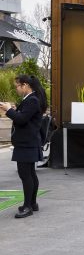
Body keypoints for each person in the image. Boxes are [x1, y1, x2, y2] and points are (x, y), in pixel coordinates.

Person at [0, 75, 47, 219]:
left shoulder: (32, 100)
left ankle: (28, 206)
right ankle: (32, 203)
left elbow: (21, 119)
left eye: (17, 86)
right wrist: (13, 109)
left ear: (25, 85)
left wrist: (9, 110)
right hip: (28, 143)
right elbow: (24, 117)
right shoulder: (31, 99)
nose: (17, 89)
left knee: (26, 175)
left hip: (27, 144)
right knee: (30, 174)